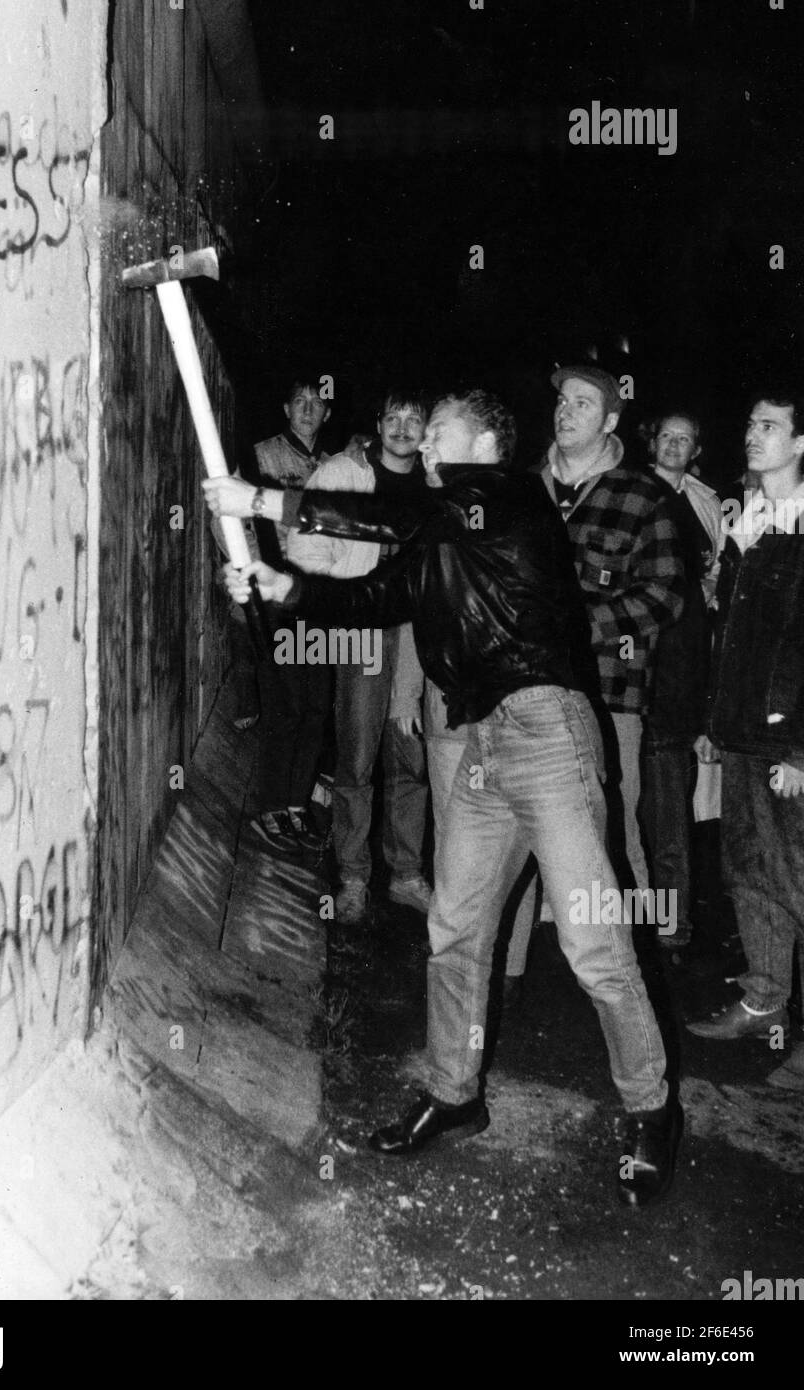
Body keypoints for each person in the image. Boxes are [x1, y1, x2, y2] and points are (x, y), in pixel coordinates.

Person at [205, 388, 683, 1207]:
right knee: (456, 929)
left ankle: (652, 1109)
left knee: (594, 942)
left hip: (548, 728)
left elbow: (398, 519)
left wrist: (265, 499)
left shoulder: (508, 497)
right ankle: (454, 1095)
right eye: (420, 432)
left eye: (437, 431)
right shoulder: (440, 537)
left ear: (488, 442)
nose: (423, 442)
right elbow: (371, 597)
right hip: (482, 742)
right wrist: (277, 585)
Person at [687, 390, 804, 1090]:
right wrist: (715, 722)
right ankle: (765, 998)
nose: (752, 435)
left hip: (789, 742)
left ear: (801, 444)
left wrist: (801, 751)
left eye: (769, 427)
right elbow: (728, 640)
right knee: (750, 869)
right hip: (741, 735)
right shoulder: (746, 521)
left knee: (798, 875)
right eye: (751, 423)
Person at [538, 366, 685, 895]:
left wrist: (583, 624)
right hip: (528, 691)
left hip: (609, 693)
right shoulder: (525, 487)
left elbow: (665, 594)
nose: (565, 411)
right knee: (524, 825)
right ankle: (517, 967)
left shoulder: (643, 496)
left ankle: (633, 954)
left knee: (613, 831)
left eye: (582, 403)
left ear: (611, 420)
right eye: (562, 400)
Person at [287, 389, 432, 924]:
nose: (401, 427)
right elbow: (303, 539)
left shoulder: (436, 481)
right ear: (378, 423)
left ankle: (407, 874)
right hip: (364, 632)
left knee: (410, 754)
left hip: (419, 632)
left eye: (412, 418)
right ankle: (353, 877)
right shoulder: (345, 473)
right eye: (392, 416)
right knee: (357, 756)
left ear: (426, 429)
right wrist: (339, 599)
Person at [640, 412, 722, 955]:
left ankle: (670, 922)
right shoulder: (626, 489)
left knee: (670, 801)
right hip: (629, 665)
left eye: (684, 438)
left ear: (695, 450)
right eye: (666, 434)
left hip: (682, 666)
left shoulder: (706, 502)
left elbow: (716, 576)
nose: (674, 444)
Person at [249, 376, 333, 853]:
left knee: (315, 706)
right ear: (286, 408)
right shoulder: (262, 457)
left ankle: (297, 803)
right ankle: (270, 805)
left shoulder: (332, 465)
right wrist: (255, 578)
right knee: (284, 706)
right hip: (277, 600)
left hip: (318, 600)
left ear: (327, 414)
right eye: (298, 400)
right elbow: (232, 524)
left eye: (315, 403)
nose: (307, 409)